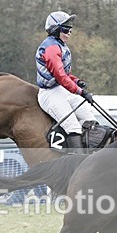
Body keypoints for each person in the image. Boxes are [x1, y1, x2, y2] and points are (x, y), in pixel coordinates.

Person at [35, 10, 99, 152]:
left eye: (70, 29)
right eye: (66, 29)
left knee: (90, 121)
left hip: (62, 90)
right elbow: (60, 77)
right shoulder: (51, 48)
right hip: (49, 94)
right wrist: (80, 91)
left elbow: (65, 75)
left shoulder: (60, 45)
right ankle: (77, 163)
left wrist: (77, 81)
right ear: (55, 30)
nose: (69, 32)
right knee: (73, 127)